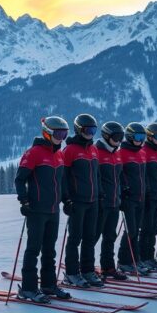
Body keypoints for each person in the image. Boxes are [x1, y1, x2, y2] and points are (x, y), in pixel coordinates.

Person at [14, 116, 72, 303]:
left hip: (53, 210)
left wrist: (67, 200)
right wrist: (24, 201)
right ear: (47, 133)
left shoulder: (59, 154)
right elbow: (20, 179)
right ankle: (29, 289)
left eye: (65, 134)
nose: (61, 138)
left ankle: (48, 284)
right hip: (37, 210)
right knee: (33, 249)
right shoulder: (34, 153)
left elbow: (62, 181)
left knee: (50, 250)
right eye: (58, 134)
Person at [62, 114, 104, 288]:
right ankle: (71, 273)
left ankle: (87, 270)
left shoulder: (93, 149)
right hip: (77, 201)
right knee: (75, 238)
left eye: (94, 130)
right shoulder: (70, 150)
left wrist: (100, 194)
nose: (91, 133)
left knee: (90, 237)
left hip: (93, 201)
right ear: (79, 129)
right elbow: (63, 177)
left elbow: (97, 175)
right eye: (88, 130)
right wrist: (67, 200)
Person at [94, 121, 128, 281]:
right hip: (100, 203)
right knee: (92, 237)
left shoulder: (117, 153)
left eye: (122, 137)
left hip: (115, 202)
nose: (119, 140)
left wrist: (123, 192)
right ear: (106, 136)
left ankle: (108, 267)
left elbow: (119, 177)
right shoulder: (97, 152)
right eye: (116, 137)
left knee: (110, 236)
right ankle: (85, 268)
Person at [117, 122, 150, 276]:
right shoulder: (122, 152)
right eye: (137, 137)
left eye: (142, 137)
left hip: (141, 198)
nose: (140, 140)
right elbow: (118, 174)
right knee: (131, 231)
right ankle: (124, 262)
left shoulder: (142, 153)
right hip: (129, 198)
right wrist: (123, 191)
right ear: (129, 136)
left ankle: (135, 260)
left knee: (136, 230)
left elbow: (143, 176)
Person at [138, 122, 157, 272]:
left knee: (153, 229)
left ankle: (150, 257)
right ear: (149, 136)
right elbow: (143, 174)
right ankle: (143, 257)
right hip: (148, 197)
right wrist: (147, 191)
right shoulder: (144, 151)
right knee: (146, 228)